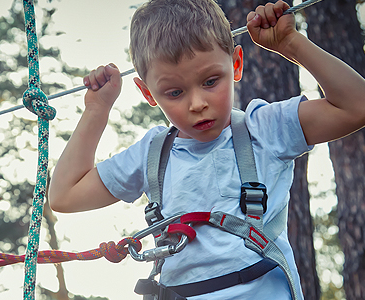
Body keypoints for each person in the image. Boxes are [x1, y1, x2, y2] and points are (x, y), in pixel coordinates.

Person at [48, 0, 365, 299]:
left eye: (211, 81)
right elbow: (64, 196)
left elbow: (356, 107)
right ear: (148, 93)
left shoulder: (266, 130)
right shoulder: (152, 154)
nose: (197, 103)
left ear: (236, 64)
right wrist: (96, 111)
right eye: (174, 91)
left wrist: (291, 44)